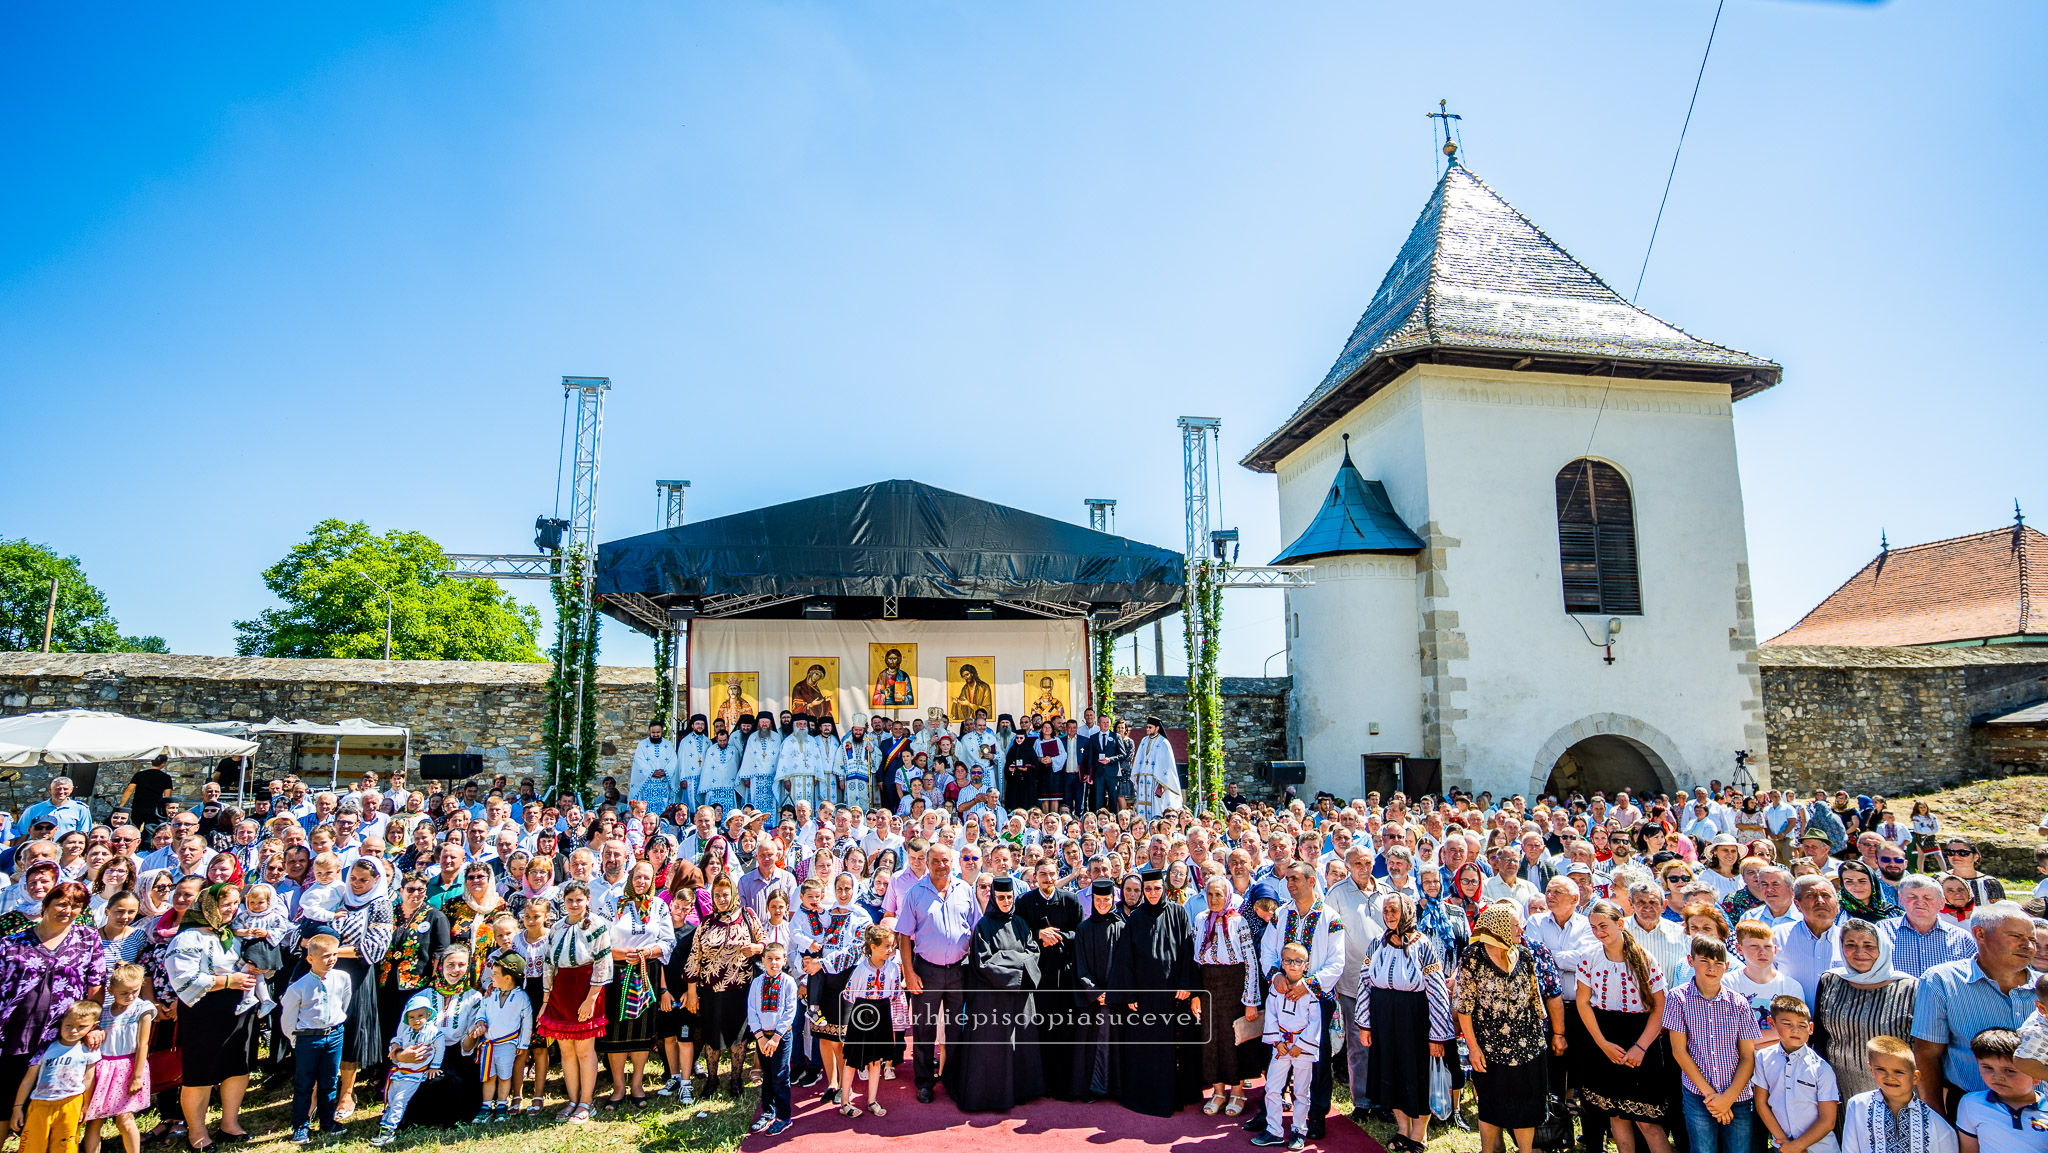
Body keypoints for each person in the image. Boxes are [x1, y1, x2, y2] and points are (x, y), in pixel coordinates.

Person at [1457, 902, 1565, 1153]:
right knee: (1492, 1102)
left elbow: (1535, 1000)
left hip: (1528, 1045)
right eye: (1516, 924)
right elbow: (1464, 1007)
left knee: (1527, 1105)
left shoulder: (1524, 955)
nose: (1521, 929)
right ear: (1499, 927)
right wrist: (1473, 1048)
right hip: (1489, 1045)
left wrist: (1548, 1035)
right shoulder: (1473, 956)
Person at [1912, 902, 2038, 1116]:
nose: (2028, 945)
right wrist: (1936, 1118)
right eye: (2016, 936)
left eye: (2032, 939)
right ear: (1980, 933)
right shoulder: (1942, 981)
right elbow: (1927, 1054)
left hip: (2039, 1115)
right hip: (1968, 1114)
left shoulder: (2043, 989)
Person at [0, 880, 109, 1123]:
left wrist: (93, 1026)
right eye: (61, 904)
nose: (67, 911)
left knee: (52, 1102)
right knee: (5, 1098)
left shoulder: (88, 938)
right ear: (46, 905)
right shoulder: (11, 943)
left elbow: (96, 983)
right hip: (14, 1031)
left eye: (76, 906)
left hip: (62, 1033)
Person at [1357, 894, 1452, 1153]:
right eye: (1386, 910)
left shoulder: (1424, 946)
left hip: (1414, 1021)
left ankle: (1418, 1135)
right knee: (1390, 1072)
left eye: (1394, 910)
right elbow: (1364, 984)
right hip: (1383, 1020)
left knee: (1416, 1074)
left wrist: (1437, 1036)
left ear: (1407, 912)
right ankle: (1402, 1128)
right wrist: (1365, 1024)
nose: (1389, 915)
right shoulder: (1376, 944)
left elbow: (1437, 991)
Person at [1112, 865, 1199, 1118]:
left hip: (1172, 997)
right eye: (1147, 889)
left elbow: (1187, 951)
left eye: (1156, 888)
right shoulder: (1136, 918)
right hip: (1143, 998)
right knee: (1144, 1048)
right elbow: (1125, 959)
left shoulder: (1178, 913)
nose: (1151, 893)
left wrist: (1187, 985)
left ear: (1164, 889)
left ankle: (1170, 1097)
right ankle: (1143, 1098)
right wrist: (1128, 995)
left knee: (1170, 1049)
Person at [1665, 934, 1761, 1153]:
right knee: (1703, 1149)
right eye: (1705, 961)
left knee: (1739, 1149)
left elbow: (1747, 1056)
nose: (1712, 968)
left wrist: (1727, 1098)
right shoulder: (1677, 998)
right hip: (1698, 1093)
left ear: (1726, 966)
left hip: (1737, 1094)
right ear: (1691, 961)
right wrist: (1712, 1097)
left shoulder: (1739, 1004)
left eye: (1718, 963)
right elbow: (1679, 1051)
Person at [896, 842, 976, 1105]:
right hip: (925, 972)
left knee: (956, 1031)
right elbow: (904, 935)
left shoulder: (965, 890)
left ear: (951, 862)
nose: (941, 866)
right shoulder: (915, 893)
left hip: (958, 972)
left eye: (945, 861)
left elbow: (974, 930)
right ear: (927, 863)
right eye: (935, 861)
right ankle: (924, 1082)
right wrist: (908, 972)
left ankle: (951, 1079)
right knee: (923, 1030)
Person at [1815, 918, 1918, 1105]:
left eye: (1868, 945)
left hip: (1894, 1090)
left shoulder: (1910, 988)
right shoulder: (1830, 981)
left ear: (1883, 948)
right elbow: (1820, 1038)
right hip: (1841, 1087)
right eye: (1851, 944)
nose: (1859, 952)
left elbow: (1921, 1046)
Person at [537, 882, 611, 1123]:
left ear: (587, 899)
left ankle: (586, 1102)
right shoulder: (557, 927)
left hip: (585, 987)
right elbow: (549, 964)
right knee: (566, 1049)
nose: (574, 904)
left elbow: (602, 962)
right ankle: (572, 1099)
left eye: (579, 900)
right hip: (561, 989)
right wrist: (546, 999)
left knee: (584, 1050)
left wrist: (591, 999)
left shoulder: (596, 925)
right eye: (570, 900)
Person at [278, 933, 350, 1145]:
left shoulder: (343, 978)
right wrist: (296, 1040)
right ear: (310, 959)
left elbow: (344, 1003)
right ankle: (300, 1124)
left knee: (329, 1080)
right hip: (308, 1038)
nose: (331, 960)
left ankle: (327, 1121)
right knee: (305, 1083)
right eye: (326, 956)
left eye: (335, 955)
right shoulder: (298, 987)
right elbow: (288, 1018)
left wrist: (336, 1025)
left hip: (334, 1035)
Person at [1753, 996, 1842, 1153]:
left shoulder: (1821, 1069)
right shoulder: (1763, 1058)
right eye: (1787, 1024)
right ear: (1772, 1023)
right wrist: (1786, 1145)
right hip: (1782, 1146)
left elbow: (1828, 1120)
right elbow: (1761, 1104)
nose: (1795, 1030)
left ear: (1811, 1028)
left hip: (1820, 1149)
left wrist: (1797, 1146)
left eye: (1802, 1025)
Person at [1254, 943, 1320, 1151]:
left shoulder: (1311, 992)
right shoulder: (1276, 989)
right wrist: (1277, 1041)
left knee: (1301, 1092)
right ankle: (1273, 1130)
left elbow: (1315, 1022)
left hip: (1302, 1047)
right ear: (1281, 963)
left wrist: (1301, 1045)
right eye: (1288, 961)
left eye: (1298, 961)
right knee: (1272, 1088)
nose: (1293, 965)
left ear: (1306, 965)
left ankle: (1299, 1130)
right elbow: (1271, 1015)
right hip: (1281, 1045)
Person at [10, 1000, 100, 1153]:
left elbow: (89, 1079)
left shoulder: (89, 1051)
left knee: (65, 1147)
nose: (73, 1031)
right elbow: (28, 1080)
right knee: (32, 1146)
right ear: (61, 1023)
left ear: (93, 1026)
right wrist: (17, 1108)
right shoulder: (45, 1048)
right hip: (40, 1104)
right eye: (69, 1025)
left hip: (71, 1103)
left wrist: (85, 1106)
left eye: (81, 1027)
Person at [81, 965, 153, 1153]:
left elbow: (143, 1044)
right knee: (94, 1120)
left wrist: (137, 1076)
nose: (130, 996)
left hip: (127, 1068)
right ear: (110, 990)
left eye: (134, 991)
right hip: (101, 1069)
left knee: (125, 1118)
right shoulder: (102, 1012)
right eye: (124, 993)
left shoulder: (142, 1009)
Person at [1845, 1036, 1956, 1153]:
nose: (1890, 1077)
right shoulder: (1857, 1105)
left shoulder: (1938, 1125)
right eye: (1881, 1069)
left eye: (1898, 1072)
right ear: (1871, 1069)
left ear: (1915, 1077)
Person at [1072, 877, 1125, 1103]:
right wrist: (1096, 992)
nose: (1102, 903)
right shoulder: (1083, 929)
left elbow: (1125, 965)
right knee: (1091, 1045)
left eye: (1106, 899)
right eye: (1098, 899)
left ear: (1113, 899)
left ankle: (1117, 1090)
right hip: (1092, 1000)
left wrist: (1112, 993)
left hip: (1116, 1000)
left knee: (1117, 1043)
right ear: (1092, 900)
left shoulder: (1122, 926)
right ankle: (1091, 1089)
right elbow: (1079, 965)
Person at [371, 993, 448, 1147]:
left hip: (415, 1073)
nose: (416, 1020)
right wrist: (394, 1047)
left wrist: (435, 1066)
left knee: (400, 1100)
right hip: (400, 1071)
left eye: (420, 1016)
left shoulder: (432, 1032)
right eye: (412, 1017)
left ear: (429, 1015)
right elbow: (398, 1040)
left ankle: (389, 1129)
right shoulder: (407, 1031)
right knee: (391, 1098)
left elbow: (440, 1047)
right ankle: (385, 1122)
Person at [1954, 1029, 2044, 1153]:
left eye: (2009, 1070)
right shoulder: (1971, 1104)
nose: (1997, 1077)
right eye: (1988, 1068)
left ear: (2036, 1075)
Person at [471, 954, 533, 1123]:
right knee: (489, 1076)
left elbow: (527, 1022)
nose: (491, 977)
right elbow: (482, 1010)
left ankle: (501, 1105)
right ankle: (485, 1106)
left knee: (505, 1076)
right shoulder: (490, 994)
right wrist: (480, 1021)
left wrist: (523, 1043)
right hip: (488, 1045)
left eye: (495, 974)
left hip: (508, 1045)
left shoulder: (521, 998)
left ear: (507, 978)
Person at [745, 942, 798, 1136]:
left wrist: (776, 1038)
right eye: (769, 959)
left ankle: (784, 1117)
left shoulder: (788, 983)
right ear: (763, 960)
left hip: (781, 1037)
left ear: (784, 961)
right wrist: (759, 1037)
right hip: (762, 1038)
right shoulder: (757, 983)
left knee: (780, 1077)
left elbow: (790, 1011)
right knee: (767, 1077)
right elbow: (752, 1010)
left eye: (777, 959)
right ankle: (767, 1112)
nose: (773, 963)